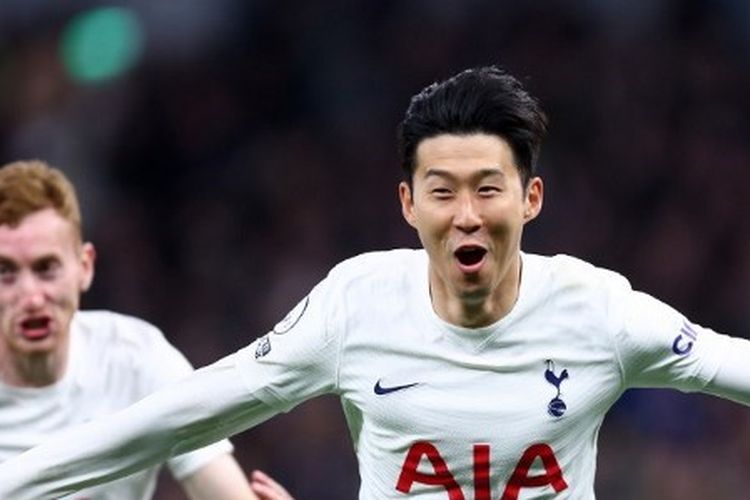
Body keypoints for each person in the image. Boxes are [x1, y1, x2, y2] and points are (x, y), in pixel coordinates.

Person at [0, 65, 749, 499]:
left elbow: (730, 365)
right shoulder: (355, 307)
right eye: (442, 191)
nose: (465, 216)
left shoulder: (599, 312)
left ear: (531, 199)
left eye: (488, 189)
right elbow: (177, 416)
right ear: (407, 203)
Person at [0, 160, 293, 500]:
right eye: (5, 272)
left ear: (84, 267)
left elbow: (222, 491)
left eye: (46, 269)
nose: (32, 297)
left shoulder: (135, 358)